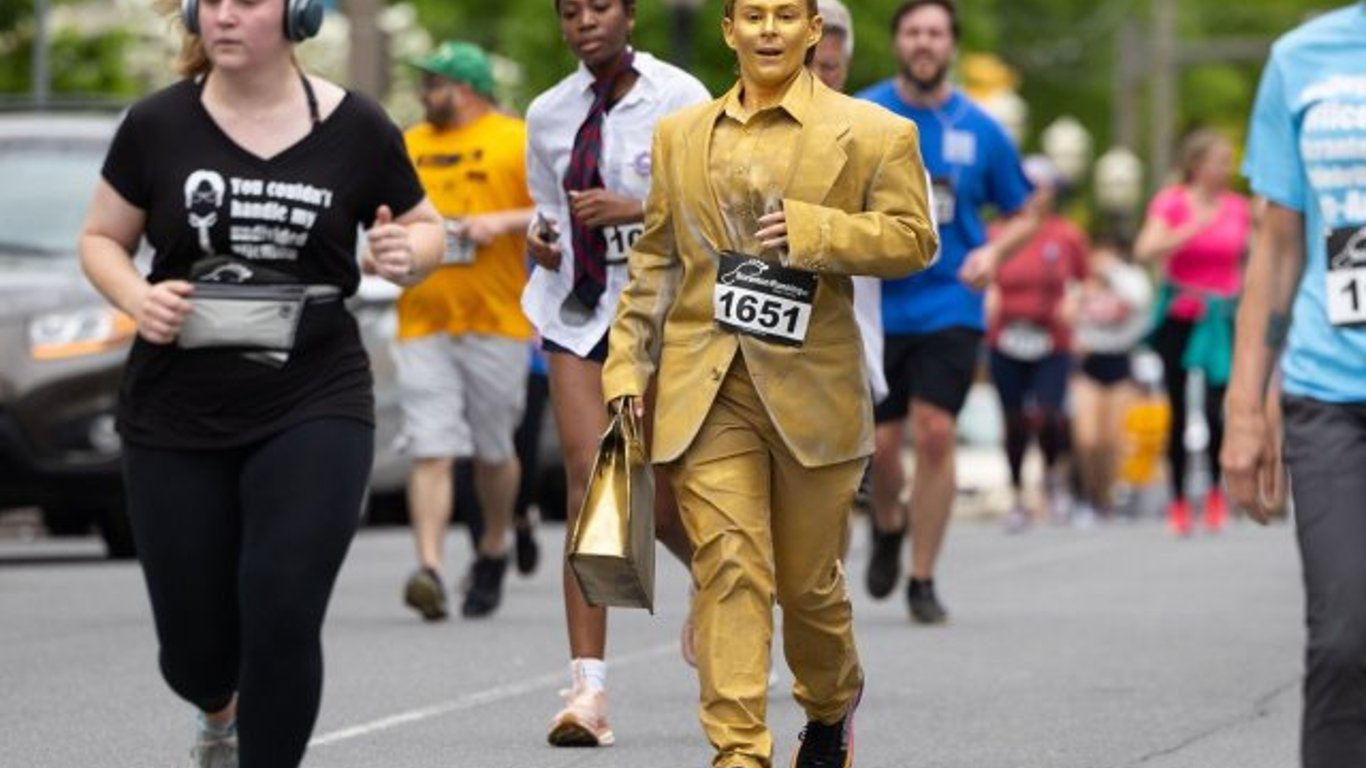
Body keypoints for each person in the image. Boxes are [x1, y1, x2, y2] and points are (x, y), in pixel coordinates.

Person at [76, 1, 443, 766]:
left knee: (282, 609)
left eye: (246, 0)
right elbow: (101, 238)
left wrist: (408, 253)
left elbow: (424, 224)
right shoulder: (156, 124)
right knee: (194, 651)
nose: (224, 16)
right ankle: (218, 710)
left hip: (315, 393)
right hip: (177, 403)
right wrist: (138, 297)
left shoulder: (358, 125)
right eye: (210, 1)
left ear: (298, 13)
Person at [603, 0, 938, 764]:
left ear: (814, 31)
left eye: (786, 15)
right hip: (708, 383)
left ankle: (829, 704)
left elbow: (916, 238)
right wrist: (628, 364)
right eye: (752, 15)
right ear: (729, 30)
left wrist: (819, 231)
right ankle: (739, 751)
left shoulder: (877, 131)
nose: (768, 29)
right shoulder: (681, 135)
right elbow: (655, 260)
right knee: (729, 566)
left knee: (807, 586)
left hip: (812, 388)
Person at [521, 0, 710, 747]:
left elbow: (717, 210)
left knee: (654, 500)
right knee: (587, 482)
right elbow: (546, 210)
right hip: (575, 309)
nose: (584, 23)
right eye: (570, 12)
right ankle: (587, 692)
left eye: (599, 7)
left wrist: (636, 207)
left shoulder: (682, 100)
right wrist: (543, 237)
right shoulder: (547, 113)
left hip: (656, 313)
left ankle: (726, 578)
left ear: (629, 15)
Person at [857, 0, 1036, 623]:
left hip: (950, 299)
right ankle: (886, 525)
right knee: (879, 445)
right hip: (879, 297)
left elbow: (1022, 211)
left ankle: (924, 578)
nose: (924, 43)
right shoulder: (866, 112)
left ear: (951, 45)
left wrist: (993, 254)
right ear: (897, 42)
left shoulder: (981, 128)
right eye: (913, 32)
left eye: (935, 32)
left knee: (934, 432)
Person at [1223, 5, 1366, 765]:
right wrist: (1246, 405)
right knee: (1344, 639)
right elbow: (1277, 246)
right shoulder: (1303, 58)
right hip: (1331, 390)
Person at [396, 40, 535, 621]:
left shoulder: (516, 139)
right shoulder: (407, 145)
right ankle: (429, 568)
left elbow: (557, 210)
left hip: (496, 319)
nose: (425, 93)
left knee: (493, 450)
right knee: (430, 447)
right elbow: (383, 217)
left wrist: (500, 221)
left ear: (468, 88)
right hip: (423, 318)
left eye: (435, 83)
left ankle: (494, 545)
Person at [1134, 128, 1250, 536]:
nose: (1227, 169)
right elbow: (1145, 250)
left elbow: (1250, 259)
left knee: (1219, 407)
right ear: (1197, 165)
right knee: (1179, 408)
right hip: (1181, 312)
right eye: (1220, 161)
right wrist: (1191, 229)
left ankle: (1217, 494)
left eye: (1229, 161)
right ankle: (1180, 499)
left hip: (1221, 316)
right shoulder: (1173, 203)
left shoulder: (1238, 207)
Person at [984, 155, 1088, 532]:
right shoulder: (998, 233)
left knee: (1047, 413)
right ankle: (1015, 493)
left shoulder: (1066, 236)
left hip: (1051, 338)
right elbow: (982, 269)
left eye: (1042, 187)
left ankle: (1053, 478)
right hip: (1007, 334)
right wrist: (990, 292)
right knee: (1013, 419)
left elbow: (1082, 280)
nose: (1035, 195)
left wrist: (1074, 301)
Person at [1071, 232, 1152, 521]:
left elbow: (1142, 301)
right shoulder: (1081, 281)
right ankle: (1089, 494)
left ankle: (1106, 497)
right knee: (1088, 439)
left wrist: (1113, 271)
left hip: (1120, 361)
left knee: (1112, 440)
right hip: (1088, 365)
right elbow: (1066, 312)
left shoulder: (1130, 280)